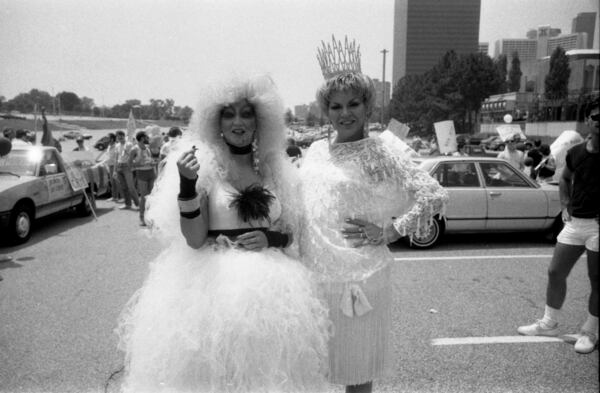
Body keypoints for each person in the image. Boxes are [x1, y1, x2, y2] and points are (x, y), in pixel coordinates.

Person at [116, 74, 330, 393]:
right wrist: (188, 184)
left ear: (261, 121)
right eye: (229, 114)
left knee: (267, 377)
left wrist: (270, 238)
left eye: (246, 113)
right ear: (215, 121)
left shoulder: (275, 168)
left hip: (274, 298)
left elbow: (292, 233)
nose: (238, 122)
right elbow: (194, 238)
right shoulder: (202, 164)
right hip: (210, 291)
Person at [298, 37, 448, 393]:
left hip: (358, 277)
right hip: (313, 275)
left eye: (353, 104)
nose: (344, 113)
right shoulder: (316, 150)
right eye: (335, 106)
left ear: (367, 106)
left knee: (356, 371)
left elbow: (433, 194)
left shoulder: (382, 150)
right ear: (326, 109)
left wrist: (391, 231)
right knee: (315, 369)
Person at [518, 100, 599, 354]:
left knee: (596, 280)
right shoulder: (575, 152)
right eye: (596, 116)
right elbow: (565, 178)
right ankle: (549, 322)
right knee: (555, 272)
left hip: (598, 226)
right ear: (587, 121)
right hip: (576, 223)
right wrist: (565, 204)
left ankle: (589, 331)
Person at [129, 131, 156, 226]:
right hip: (141, 174)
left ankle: (151, 217)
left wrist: (153, 163)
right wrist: (139, 164)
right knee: (144, 197)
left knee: (151, 197)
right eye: (146, 137)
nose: (148, 139)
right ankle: (142, 217)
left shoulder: (148, 148)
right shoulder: (134, 149)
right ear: (141, 138)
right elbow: (129, 163)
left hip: (151, 173)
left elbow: (150, 160)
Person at [114, 130, 139, 210]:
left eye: (121, 135)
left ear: (124, 136)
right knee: (124, 187)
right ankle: (128, 204)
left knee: (131, 187)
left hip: (127, 167)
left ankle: (138, 204)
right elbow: (116, 158)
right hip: (119, 166)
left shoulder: (129, 144)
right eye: (118, 136)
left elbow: (135, 155)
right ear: (117, 137)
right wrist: (114, 170)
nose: (120, 137)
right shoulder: (117, 146)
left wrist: (128, 154)